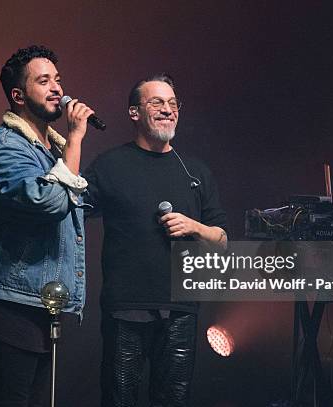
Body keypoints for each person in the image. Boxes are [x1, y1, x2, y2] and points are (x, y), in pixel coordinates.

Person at [0, 45, 94, 407]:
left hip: (31, 300)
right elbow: (49, 202)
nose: (57, 89)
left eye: (58, 80)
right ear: (18, 95)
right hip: (5, 301)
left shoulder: (50, 151)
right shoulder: (5, 148)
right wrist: (77, 138)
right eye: (43, 80)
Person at [83, 73, 228, 407]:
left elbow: (221, 241)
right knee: (119, 398)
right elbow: (71, 209)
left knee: (173, 400)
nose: (168, 110)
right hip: (126, 308)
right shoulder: (110, 165)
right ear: (134, 112)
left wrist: (196, 227)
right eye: (157, 102)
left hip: (180, 308)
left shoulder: (196, 172)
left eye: (173, 104)